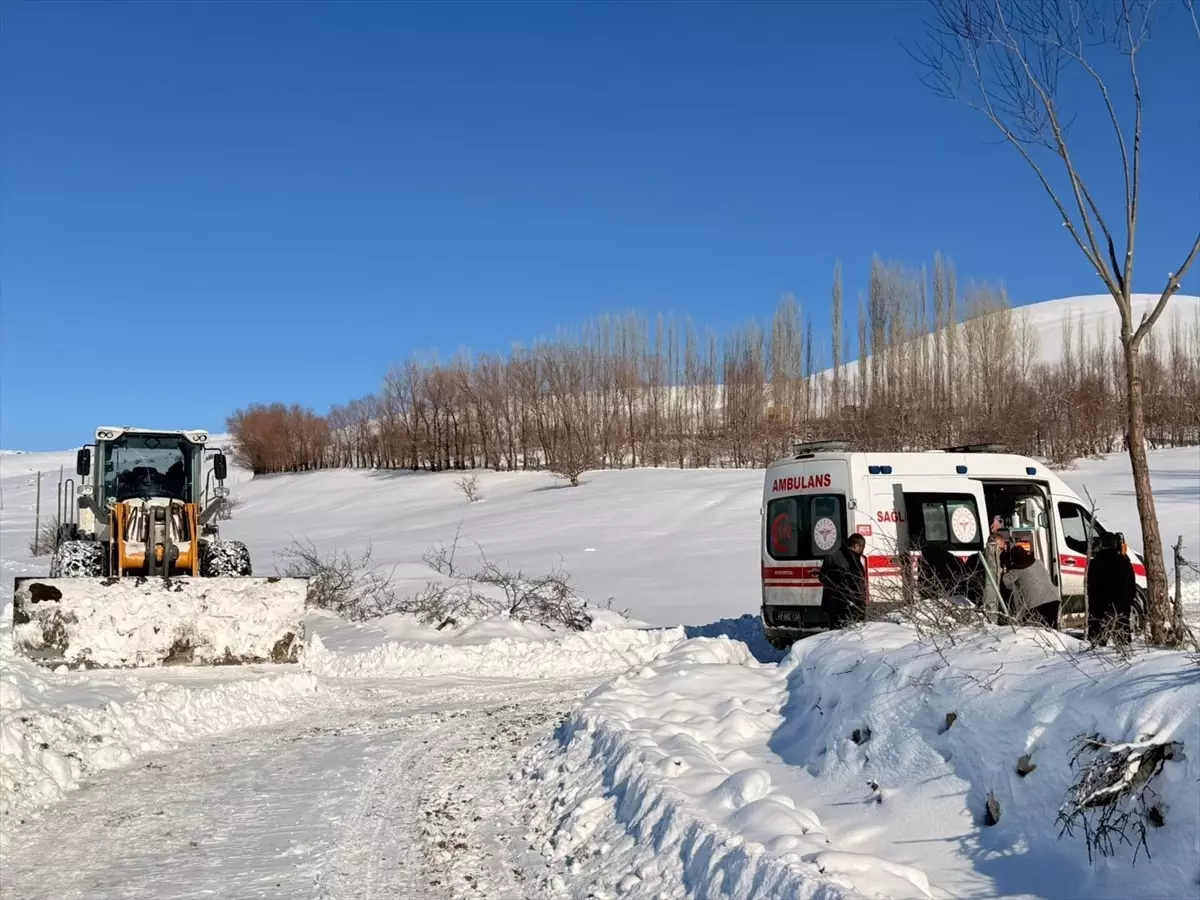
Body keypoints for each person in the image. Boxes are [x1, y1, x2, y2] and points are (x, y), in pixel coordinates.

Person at [1086, 531, 1136, 646]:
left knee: (1096, 644)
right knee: (1123, 642)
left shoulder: (1095, 563)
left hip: (1099, 609)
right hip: (1120, 608)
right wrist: (1127, 603)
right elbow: (1132, 586)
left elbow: (1090, 586)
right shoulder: (1124, 562)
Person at [1001, 545, 1060, 627]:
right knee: (1052, 629)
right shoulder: (1038, 562)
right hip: (1053, 599)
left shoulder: (1016, 571)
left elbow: (1004, 581)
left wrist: (1006, 567)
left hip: (1036, 605)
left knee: (1040, 631)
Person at [819, 533, 868, 629]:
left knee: (834, 634)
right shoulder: (853, 562)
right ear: (856, 546)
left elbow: (822, 577)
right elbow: (857, 586)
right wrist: (861, 607)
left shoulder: (831, 556)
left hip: (832, 604)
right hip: (849, 606)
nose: (863, 551)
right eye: (862, 547)